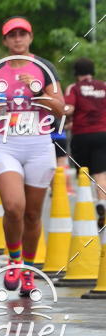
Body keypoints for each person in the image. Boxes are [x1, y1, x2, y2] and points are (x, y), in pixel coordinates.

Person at [0, 17, 65, 296]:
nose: (18, 39)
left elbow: (60, 109)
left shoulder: (44, 68)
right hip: (8, 145)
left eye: (22, 34)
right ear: (5, 41)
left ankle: (29, 270)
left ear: (30, 38)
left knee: (31, 214)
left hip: (40, 145)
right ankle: (15, 260)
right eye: (12, 35)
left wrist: (38, 90)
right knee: (14, 207)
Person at [65, 57, 106, 228]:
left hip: (81, 135)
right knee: (101, 173)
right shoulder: (103, 85)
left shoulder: (74, 88)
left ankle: (85, 211)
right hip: (102, 133)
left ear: (76, 73)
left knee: (83, 173)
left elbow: (70, 109)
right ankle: (102, 203)